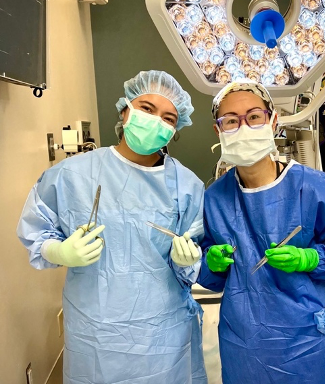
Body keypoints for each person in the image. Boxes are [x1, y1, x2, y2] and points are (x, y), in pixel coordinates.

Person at [17, 70, 208, 384]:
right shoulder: (73, 175)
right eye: (147, 109)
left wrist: (187, 260)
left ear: (175, 129)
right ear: (125, 110)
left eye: (169, 118)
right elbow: (37, 230)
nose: (157, 121)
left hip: (162, 334)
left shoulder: (185, 185)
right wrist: (59, 250)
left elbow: (195, 258)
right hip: (97, 334)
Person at [198, 80, 325, 384]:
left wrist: (310, 258)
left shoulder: (318, 190)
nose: (243, 127)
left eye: (254, 116)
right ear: (218, 130)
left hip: (305, 340)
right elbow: (208, 273)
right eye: (231, 121)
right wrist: (209, 261)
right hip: (243, 343)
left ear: (273, 120)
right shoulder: (214, 199)